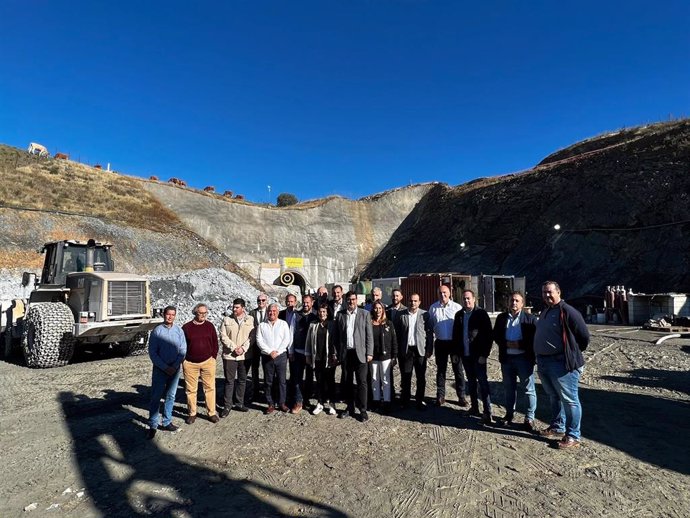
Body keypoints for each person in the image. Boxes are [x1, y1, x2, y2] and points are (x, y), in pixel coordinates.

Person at [534, 281, 590, 449]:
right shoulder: (546, 311)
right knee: (554, 396)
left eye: (550, 292)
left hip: (561, 364)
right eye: (544, 292)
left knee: (570, 400)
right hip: (544, 361)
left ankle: (573, 435)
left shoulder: (568, 311)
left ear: (558, 292)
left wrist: (571, 352)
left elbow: (584, 336)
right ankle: (558, 426)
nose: (547, 295)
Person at [493, 291, 538, 431]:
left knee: (528, 389)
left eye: (517, 301)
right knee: (509, 388)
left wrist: (519, 344)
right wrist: (506, 343)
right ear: (508, 302)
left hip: (524, 359)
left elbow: (534, 340)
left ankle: (529, 418)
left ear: (522, 304)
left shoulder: (530, 319)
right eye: (512, 300)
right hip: (507, 359)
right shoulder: (501, 318)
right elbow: (496, 335)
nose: (514, 303)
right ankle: (509, 414)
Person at [452, 289, 494, 424]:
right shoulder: (459, 315)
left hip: (478, 356)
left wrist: (484, 355)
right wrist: (455, 353)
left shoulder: (481, 314)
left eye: (469, 298)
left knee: (483, 383)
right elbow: (456, 335)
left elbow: (489, 336)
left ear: (474, 299)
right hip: (465, 355)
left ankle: (487, 412)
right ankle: (474, 408)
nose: (466, 301)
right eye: (464, 299)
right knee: (471, 382)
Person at [147, 306, 186, 439]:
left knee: (171, 396)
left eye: (173, 315)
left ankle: (167, 421)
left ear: (175, 316)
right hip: (160, 369)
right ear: (164, 315)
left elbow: (183, 350)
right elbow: (152, 352)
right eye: (168, 314)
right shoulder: (157, 331)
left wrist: (175, 366)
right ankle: (153, 424)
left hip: (174, 369)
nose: (170, 317)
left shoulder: (179, 331)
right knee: (156, 397)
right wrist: (164, 367)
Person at [334, 291, 373, 421]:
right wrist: (337, 353)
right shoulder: (340, 315)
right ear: (346, 301)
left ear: (357, 300)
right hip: (346, 354)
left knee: (362, 382)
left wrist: (369, 353)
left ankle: (362, 409)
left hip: (360, 353)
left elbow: (369, 335)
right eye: (349, 300)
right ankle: (349, 407)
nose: (351, 302)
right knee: (348, 382)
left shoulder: (365, 314)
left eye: (353, 299)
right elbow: (337, 336)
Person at [428, 285, 467, 407]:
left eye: (445, 293)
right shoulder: (433, 308)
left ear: (450, 293)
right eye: (440, 293)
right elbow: (430, 326)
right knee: (441, 370)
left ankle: (461, 396)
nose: (442, 295)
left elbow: (462, 327)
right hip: (440, 343)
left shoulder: (457, 308)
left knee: (458, 370)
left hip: (454, 343)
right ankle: (440, 396)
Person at [182, 303, 220, 424]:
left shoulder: (210, 326)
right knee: (191, 390)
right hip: (190, 363)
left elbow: (215, 343)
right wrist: (184, 360)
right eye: (201, 313)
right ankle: (192, 413)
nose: (203, 315)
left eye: (205, 313)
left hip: (208, 362)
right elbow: (182, 345)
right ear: (195, 313)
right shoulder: (186, 327)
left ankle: (211, 412)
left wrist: (213, 357)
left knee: (209, 388)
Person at [395, 293, 433, 410]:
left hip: (420, 350)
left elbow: (429, 334)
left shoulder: (425, 315)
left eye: (415, 301)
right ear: (408, 302)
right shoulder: (401, 315)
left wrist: (429, 349)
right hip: (407, 350)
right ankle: (405, 400)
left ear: (419, 302)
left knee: (421, 377)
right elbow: (397, 334)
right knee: (406, 376)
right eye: (411, 301)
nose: (413, 303)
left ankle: (419, 400)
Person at [219, 298, 254, 417]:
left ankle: (239, 403)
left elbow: (252, 336)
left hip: (245, 356)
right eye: (233, 307)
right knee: (229, 381)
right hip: (230, 355)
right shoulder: (226, 319)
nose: (234, 309)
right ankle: (227, 405)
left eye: (237, 307)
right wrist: (234, 347)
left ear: (243, 308)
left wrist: (243, 348)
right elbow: (223, 336)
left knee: (242, 380)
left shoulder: (250, 319)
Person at [257, 303, 292, 414]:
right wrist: (269, 351)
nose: (272, 313)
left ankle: (282, 403)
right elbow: (259, 340)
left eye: (274, 311)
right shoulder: (262, 325)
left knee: (282, 381)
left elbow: (287, 339)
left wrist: (277, 351)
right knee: (268, 381)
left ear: (277, 312)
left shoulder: (283, 324)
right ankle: (270, 403)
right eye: (270, 311)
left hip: (280, 356)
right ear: (267, 312)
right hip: (267, 357)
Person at [305, 304, 338, 415]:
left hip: (329, 358)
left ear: (327, 312)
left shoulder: (332, 324)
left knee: (330, 381)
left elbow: (336, 342)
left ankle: (331, 403)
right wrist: (308, 355)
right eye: (320, 311)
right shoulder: (313, 325)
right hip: (317, 357)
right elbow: (308, 341)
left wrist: (335, 355)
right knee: (319, 381)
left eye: (324, 311)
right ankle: (320, 403)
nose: (322, 314)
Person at [288, 294, 317, 414]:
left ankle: (307, 400)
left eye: (308, 302)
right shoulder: (296, 315)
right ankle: (298, 401)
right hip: (298, 352)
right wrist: (290, 351)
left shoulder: (316, 315)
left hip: (310, 353)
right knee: (297, 378)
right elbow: (291, 333)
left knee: (309, 378)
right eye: (304, 302)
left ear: (312, 303)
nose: (305, 305)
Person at [369, 300, 398, 413]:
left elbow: (394, 340)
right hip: (373, 356)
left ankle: (387, 402)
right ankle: (376, 401)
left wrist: (395, 356)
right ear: (373, 309)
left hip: (386, 356)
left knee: (386, 380)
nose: (378, 310)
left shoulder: (388, 323)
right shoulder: (370, 323)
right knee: (374, 379)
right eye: (376, 308)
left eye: (380, 308)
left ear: (383, 310)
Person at [247, 293, 269, 403]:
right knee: (254, 368)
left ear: (267, 301)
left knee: (267, 368)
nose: (261, 302)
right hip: (255, 345)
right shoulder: (252, 313)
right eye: (259, 300)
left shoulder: (271, 312)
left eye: (263, 300)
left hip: (266, 345)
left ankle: (267, 391)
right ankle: (255, 391)